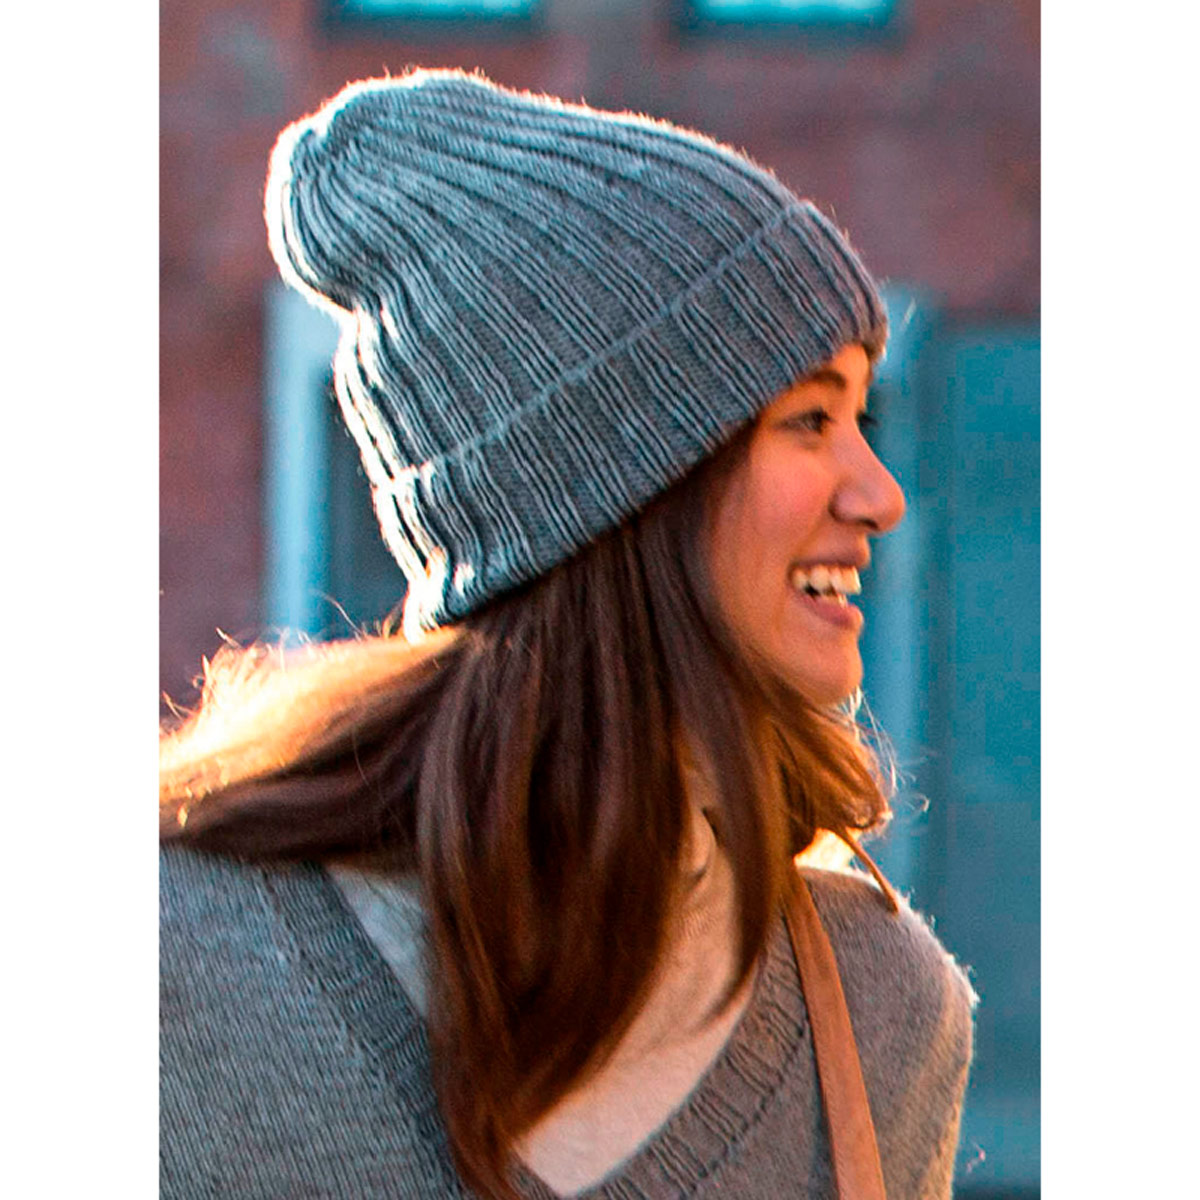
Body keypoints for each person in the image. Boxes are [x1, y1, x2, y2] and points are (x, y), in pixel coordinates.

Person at [159, 69, 974, 1200]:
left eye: (861, 416)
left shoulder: (883, 1009)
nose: (880, 494)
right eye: (810, 420)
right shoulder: (171, 972)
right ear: (623, 486)